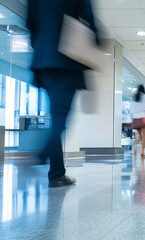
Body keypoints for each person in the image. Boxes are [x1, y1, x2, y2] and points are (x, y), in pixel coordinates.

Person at [27, 0, 98, 187]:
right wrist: (95, 43)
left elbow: (30, 24)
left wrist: (42, 47)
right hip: (66, 63)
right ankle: (43, 154)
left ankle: (56, 173)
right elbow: (90, 20)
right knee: (59, 121)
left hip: (43, 63)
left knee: (56, 119)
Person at [131, 85, 145, 159]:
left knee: (139, 135)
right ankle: (142, 151)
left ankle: (134, 148)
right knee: (144, 136)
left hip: (136, 119)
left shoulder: (134, 98)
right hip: (144, 118)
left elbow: (131, 110)